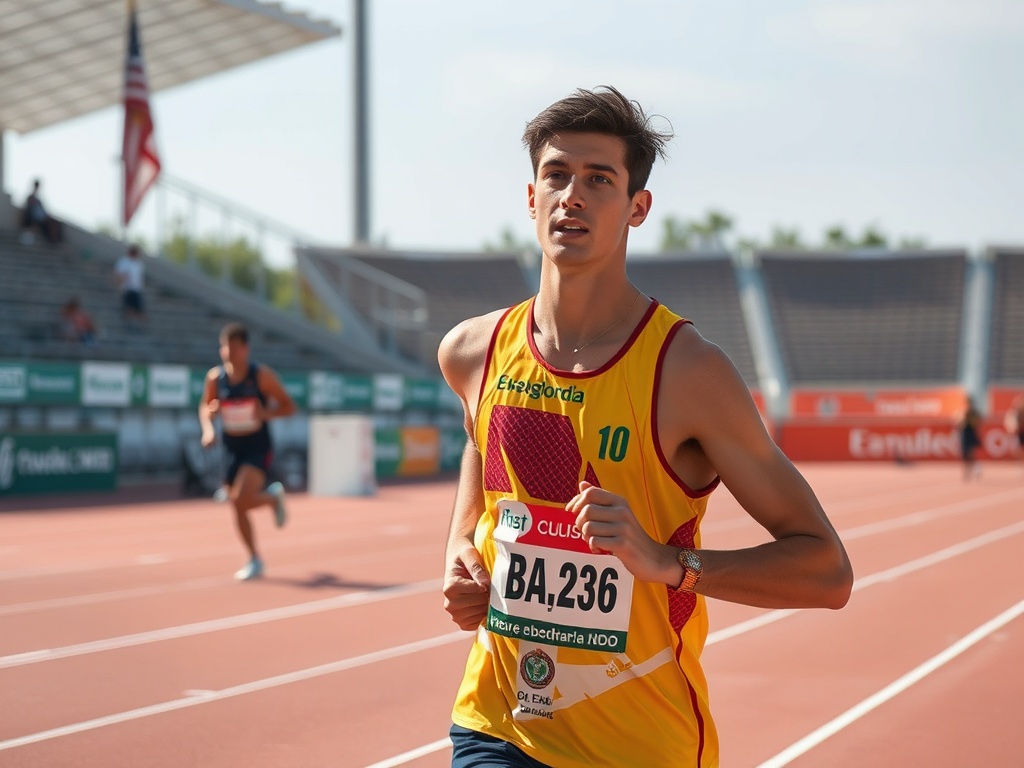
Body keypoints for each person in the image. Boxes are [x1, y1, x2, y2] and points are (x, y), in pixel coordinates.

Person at [437, 86, 853, 768]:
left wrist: (668, 564)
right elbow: (480, 443)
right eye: (556, 175)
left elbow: (827, 571)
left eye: (599, 179)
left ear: (638, 208)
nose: (572, 196)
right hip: (499, 725)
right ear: (532, 197)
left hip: (640, 743)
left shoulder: (687, 372)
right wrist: (461, 549)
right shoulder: (472, 352)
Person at [199, 322, 297, 580]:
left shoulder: (261, 376)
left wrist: (267, 414)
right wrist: (208, 428)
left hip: (257, 445)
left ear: (245, 349)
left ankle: (273, 500)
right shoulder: (215, 378)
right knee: (238, 506)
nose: (228, 353)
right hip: (231, 447)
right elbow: (205, 407)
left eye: (233, 348)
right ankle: (254, 557)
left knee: (240, 499)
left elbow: (289, 407)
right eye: (224, 348)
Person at [19, 178, 62, 245]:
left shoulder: (38, 200)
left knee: (54, 223)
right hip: (35, 220)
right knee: (51, 224)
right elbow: (29, 212)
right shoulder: (31, 198)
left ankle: (55, 240)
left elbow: (43, 211)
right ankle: (53, 241)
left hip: (41, 218)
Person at [114, 244, 146, 327]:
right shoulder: (124, 262)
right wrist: (120, 283)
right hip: (127, 288)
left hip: (136, 289)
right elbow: (119, 274)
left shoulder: (139, 264)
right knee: (128, 308)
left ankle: (138, 325)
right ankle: (127, 324)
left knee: (139, 308)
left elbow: (140, 277)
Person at [958, 395, 983, 481]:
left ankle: (975, 467)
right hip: (964, 434)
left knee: (971, 453)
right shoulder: (962, 412)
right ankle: (968, 471)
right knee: (965, 454)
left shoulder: (974, 412)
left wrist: (969, 419)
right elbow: (958, 423)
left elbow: (977, 422)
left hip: (971, 433)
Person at [1003, 393, 1024, 470]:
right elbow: (1010, 424)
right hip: (1017, 433)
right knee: (1016, 449)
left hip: (1020, 432)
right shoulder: (1012, 413)